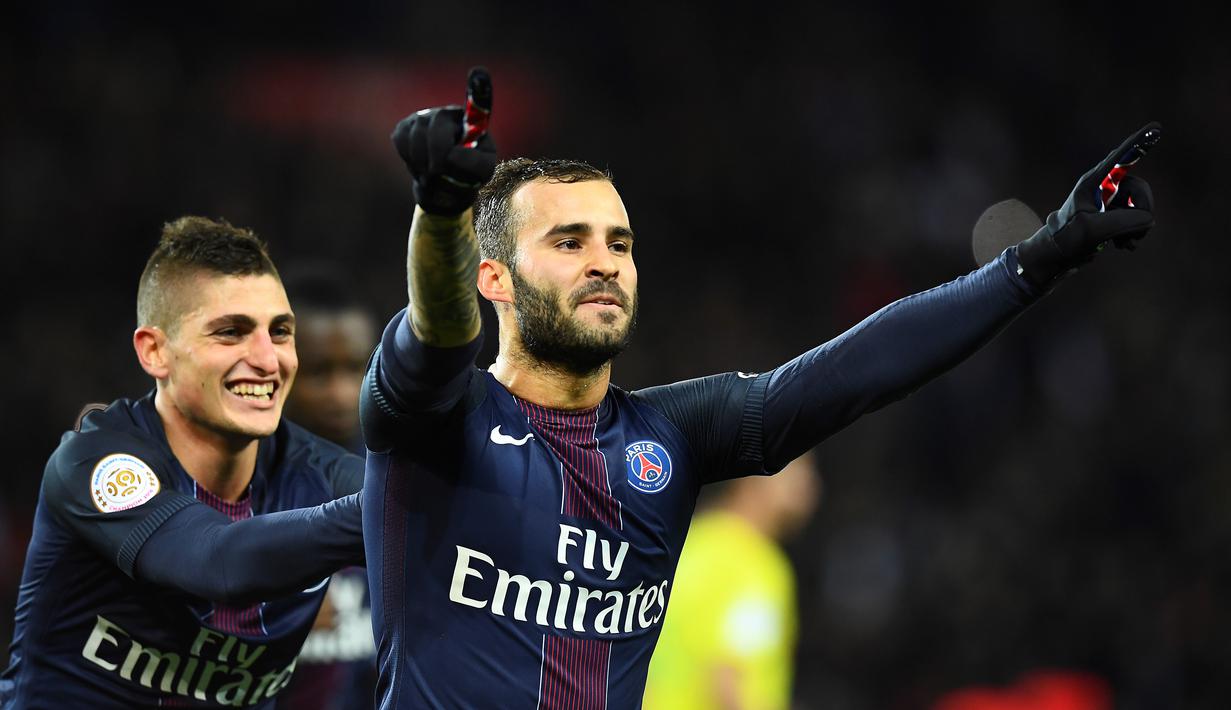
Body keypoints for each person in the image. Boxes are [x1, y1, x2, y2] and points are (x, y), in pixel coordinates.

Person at [361, 72, 1157, 708]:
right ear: (492, 277)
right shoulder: (434, 423)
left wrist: (1038, 257)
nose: (604, 261)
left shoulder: (665, 439)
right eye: (568, 241)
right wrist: (439, 215)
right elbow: (436, 333)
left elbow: (859, 368)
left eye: (619, 243)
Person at [1, 217, 366, 709]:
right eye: (231, 332)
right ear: (155, 352)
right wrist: (379, 509)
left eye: (280, 332)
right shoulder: (95, 465)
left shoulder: (319, 472)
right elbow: (217, 562)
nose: (267, 358)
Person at [642, 452, 821, 710]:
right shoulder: (755, 566)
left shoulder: (690, 541)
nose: (810, 484)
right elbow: (726, 682)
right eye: (798, 469)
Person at [279, 265, 379, 709]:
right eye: (320, 373)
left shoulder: (407, 479)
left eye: (356, 369)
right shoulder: (239, 486)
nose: (342, 394)